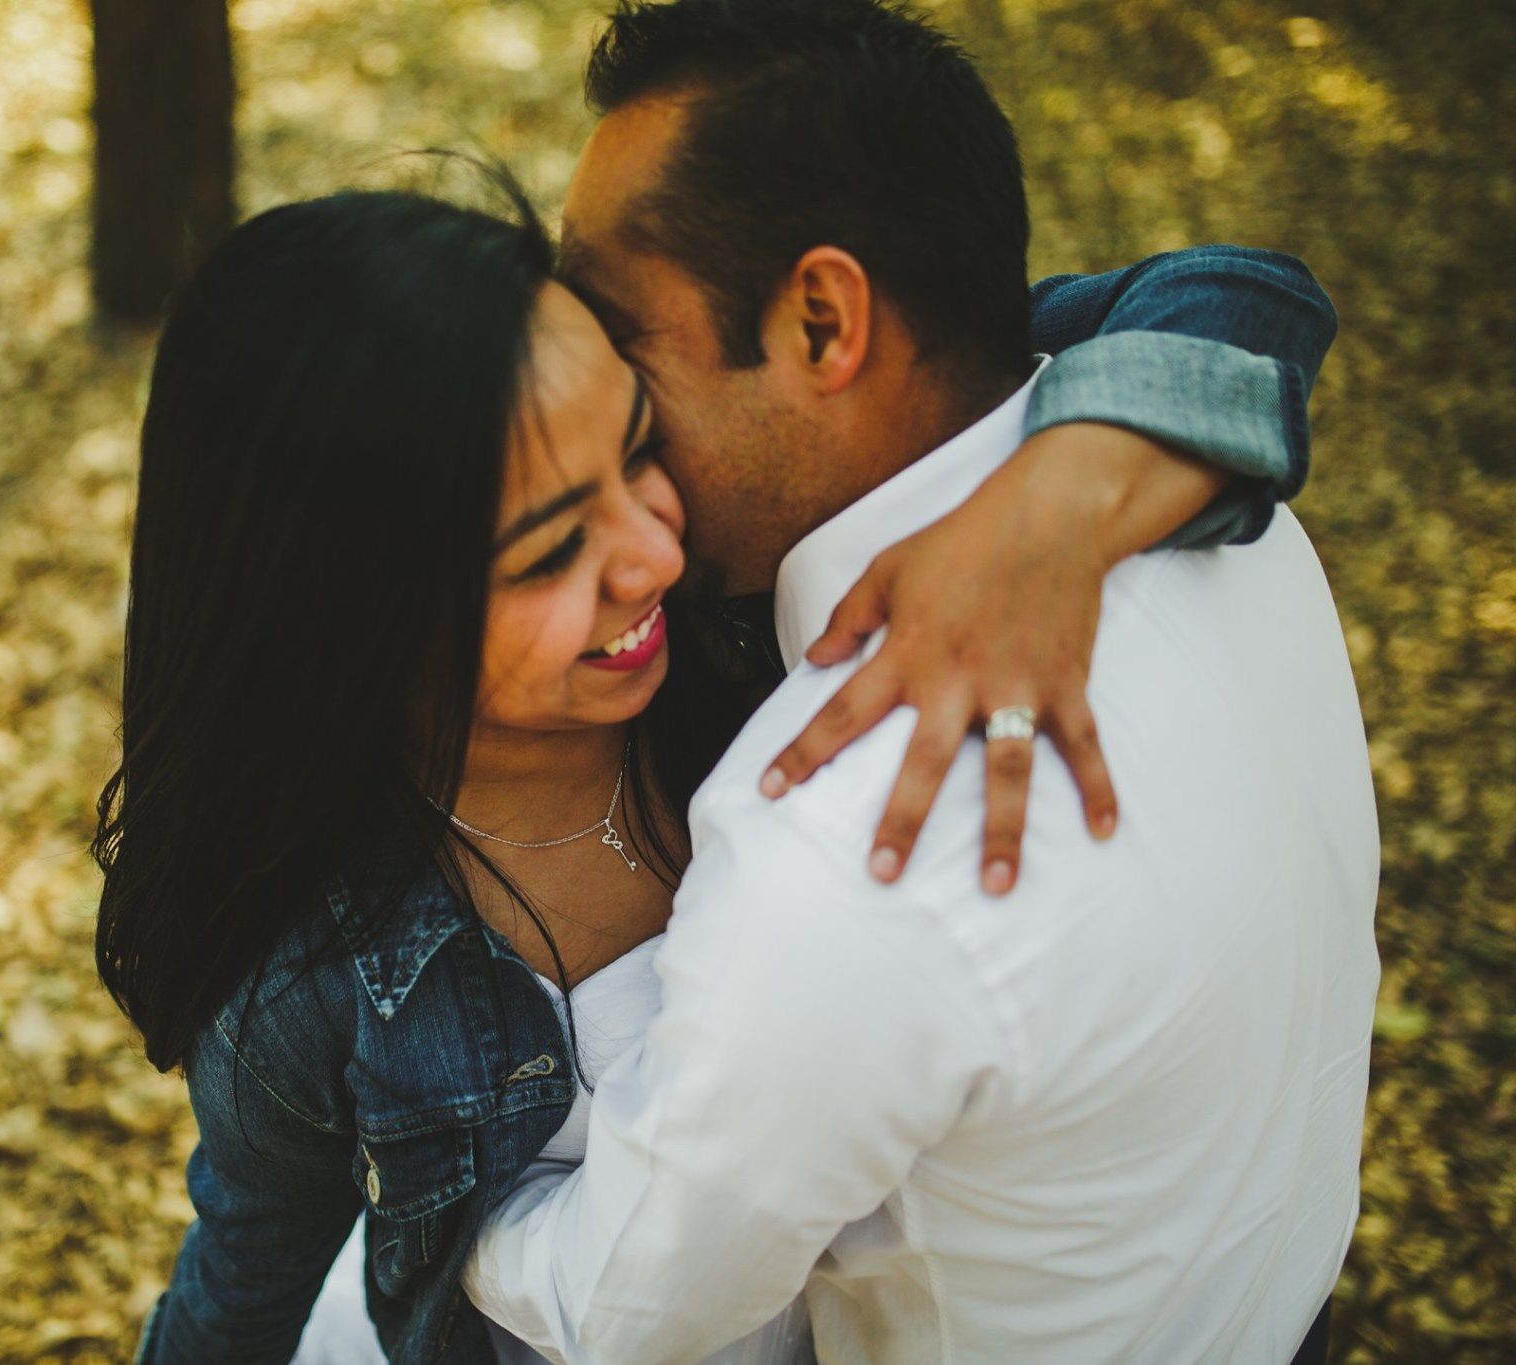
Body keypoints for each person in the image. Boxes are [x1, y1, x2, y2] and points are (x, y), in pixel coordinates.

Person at [461, 3, 1379, 1363]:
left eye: (614, 324)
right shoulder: (1225, 504)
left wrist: (436, 1204)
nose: (585, 376)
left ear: (823, 321)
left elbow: (622, 1303)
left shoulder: (841, 827)